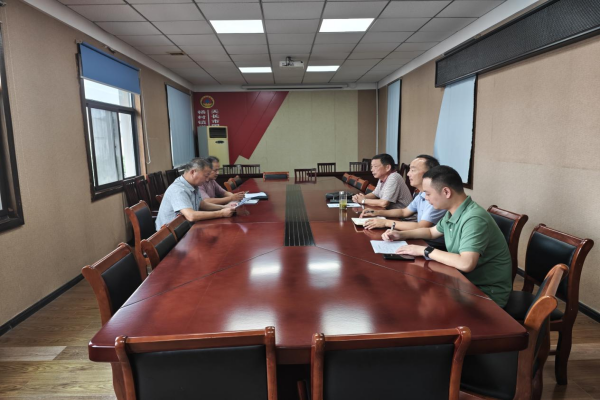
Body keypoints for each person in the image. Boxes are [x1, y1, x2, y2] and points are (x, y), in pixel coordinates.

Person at [382, 165, 512, 307]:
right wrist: (400, 235)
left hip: (485, 293)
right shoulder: (453, 212)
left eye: (428, 193)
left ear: (446, 192)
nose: (426, 198)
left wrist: (424, 250)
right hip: (461, 282)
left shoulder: (474, 218)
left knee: (419, 301)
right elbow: (431, 232)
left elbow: (466, 263)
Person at [360, 155, 447, 249]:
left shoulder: (436, 197)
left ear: (429, 174)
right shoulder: (421, 194)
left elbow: (422, 226)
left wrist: (385, 222)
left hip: (432, 244)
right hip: (420, 237)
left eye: (413, 170)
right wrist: (376, 212)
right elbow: (404, 211)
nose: (408, 174)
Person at [155, 158, 235, 230]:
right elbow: (191, 216)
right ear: (193, 172)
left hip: (186, 228)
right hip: (170, 236)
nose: (207, 179)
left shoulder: (194, 185)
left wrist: (224, 207)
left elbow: (202, 204)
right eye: (205, 176)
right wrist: (221, 213)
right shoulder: (179, 189)